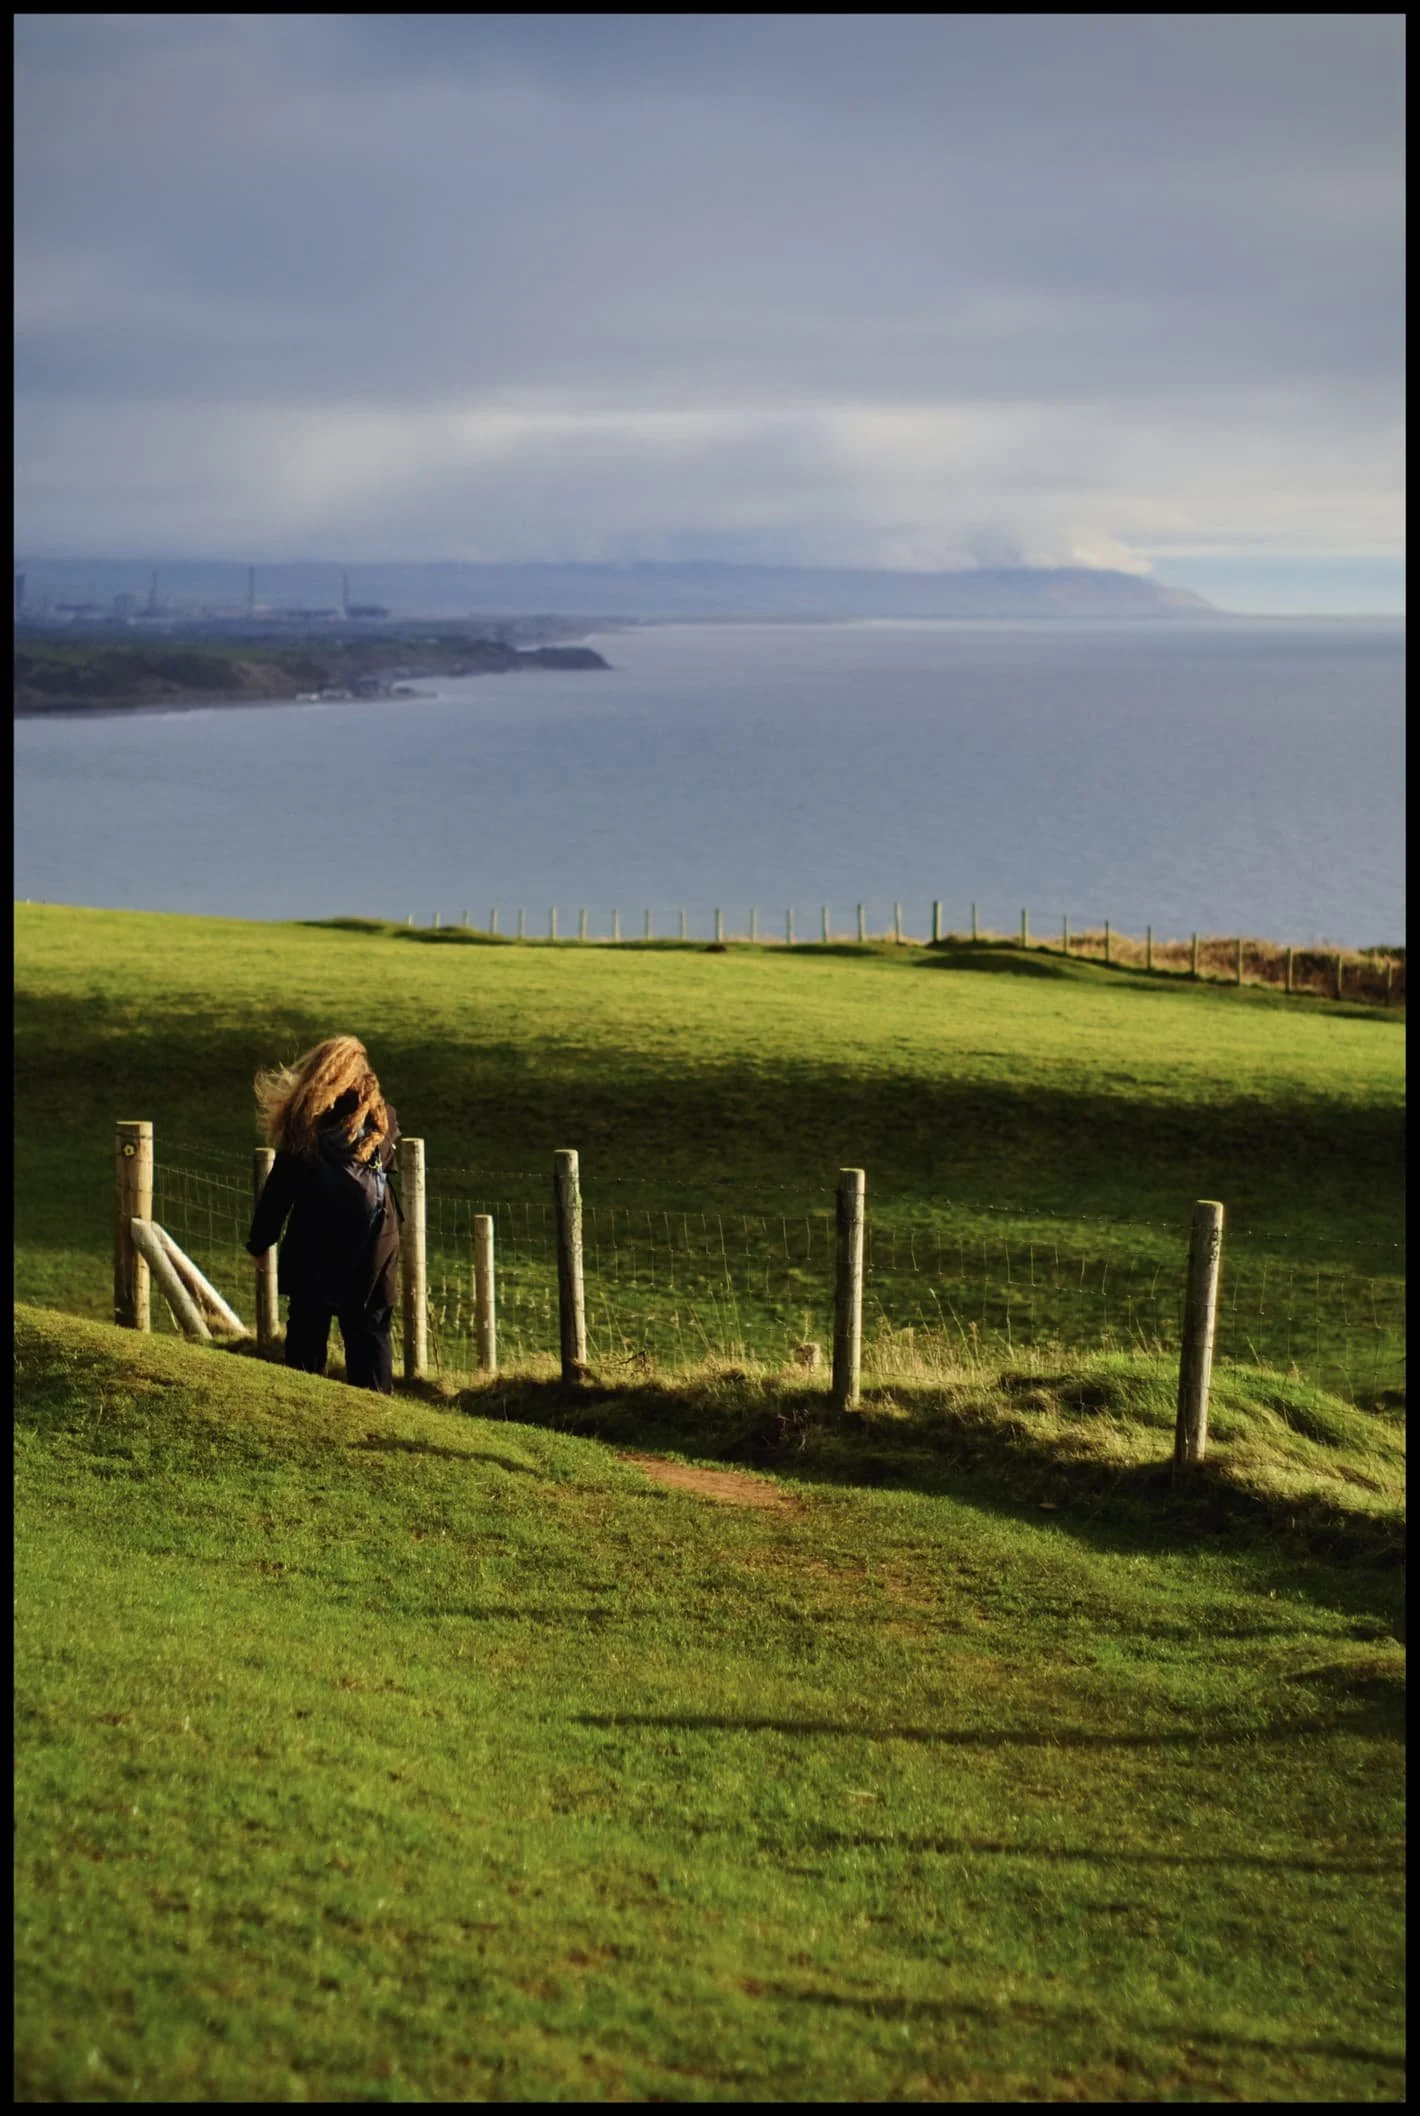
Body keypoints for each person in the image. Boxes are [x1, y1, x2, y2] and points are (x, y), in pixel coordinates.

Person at [246, 1035, 403, 1392]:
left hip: (315, 1243)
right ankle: (376, 1412)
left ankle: (304, 1408)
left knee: (306, 1330)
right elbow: (390, 1167)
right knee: (370, 1331)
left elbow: (279, 1190)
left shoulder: (307, 1124)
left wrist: (260, 1242)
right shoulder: (385, 1120)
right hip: (375, 1248)